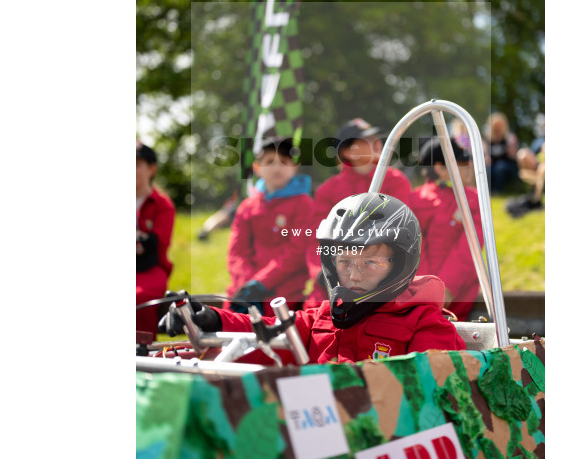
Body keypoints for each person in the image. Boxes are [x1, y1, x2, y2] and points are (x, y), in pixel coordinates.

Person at [159, 193, 466, 364]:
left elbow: (434, 396)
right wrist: (211, 319)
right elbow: (270, 334)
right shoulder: (321, 318)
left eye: (370, 262)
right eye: (344, 262)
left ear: (399, 264)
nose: (354, 274)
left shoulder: (425, 324)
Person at [304, 118, 413, 307]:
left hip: (384, 281)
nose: (377, 145)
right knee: (312, 317)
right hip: (334, 282)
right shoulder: (328, 191)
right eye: (366, 141)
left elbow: (400, 236)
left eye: (376, 139)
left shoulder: (396, 182)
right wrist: (322, 273)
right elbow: (315, 239)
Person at [226, 137, 314, 316]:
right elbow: (236, 253)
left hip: (286, 292)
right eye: (269, 162)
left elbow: (297, 253)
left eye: (284, 162)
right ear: (257, 168)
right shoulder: (247, 206)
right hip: (244, 290)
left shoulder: (304, 204)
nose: (277, 168)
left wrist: (260, 283)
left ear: (294, 167)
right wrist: (247, 286)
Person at [409, 137, 485, 321]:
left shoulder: (473, 199)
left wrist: (447, 287)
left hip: (458, 298)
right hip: (418, 297)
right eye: (461, 162)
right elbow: (412, 243)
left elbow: (470, 246)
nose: (468, 165)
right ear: (440, 169)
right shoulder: (416, 199)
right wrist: (425, 287)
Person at [136, 141, 176, 339]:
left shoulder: (162, 205)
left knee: (139, 298)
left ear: (152, 169)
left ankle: (142, 354)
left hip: (150, 268)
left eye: (136, 164)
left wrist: (144, 241)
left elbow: (156, 246)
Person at [484, 112, 519, 193]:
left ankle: (497, 190)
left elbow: (513, 155)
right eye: (495, 125)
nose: (497, 128)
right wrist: (486, 158)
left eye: (500, 125)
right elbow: (484, 154)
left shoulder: (509, 138)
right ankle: (488, 190)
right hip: (492, 165)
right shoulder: (487, 139)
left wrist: (512, 146)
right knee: (487, 169)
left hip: (507, 165)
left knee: (500, 167)